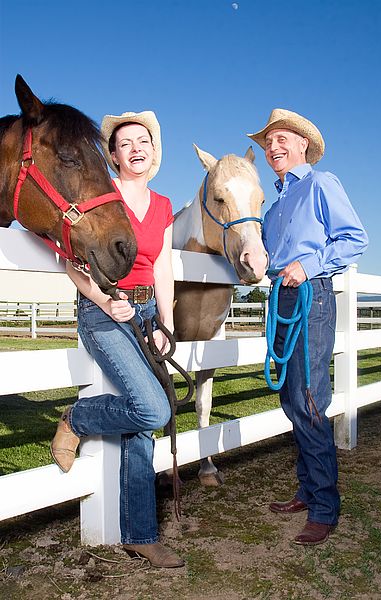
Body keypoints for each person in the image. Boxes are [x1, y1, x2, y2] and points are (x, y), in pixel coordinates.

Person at [50, 110, 184, 568]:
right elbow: (72, 263)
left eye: (143, 140)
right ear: (112, 156)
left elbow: (163, 266)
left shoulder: (163, 206)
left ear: (154, 150)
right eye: (125, 143)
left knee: (142, 426)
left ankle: (140, 534)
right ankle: (78, 417)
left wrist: (168, 322)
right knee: (153, 407)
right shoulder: (98, 196)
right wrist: (106, 302)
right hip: (104, 311)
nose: (135, 148)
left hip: (147, 314)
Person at [247, 108, 368, 545]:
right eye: (268, 142)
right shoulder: (276, 205)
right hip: (281, 296)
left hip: (311, 295)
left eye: (282, 139)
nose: (273, 148)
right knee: (291, 398)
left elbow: (354, 238)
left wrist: (308, 263)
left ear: (302, 144)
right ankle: (308, 487)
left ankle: (324, 506)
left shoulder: (321, 184)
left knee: (309, 396)